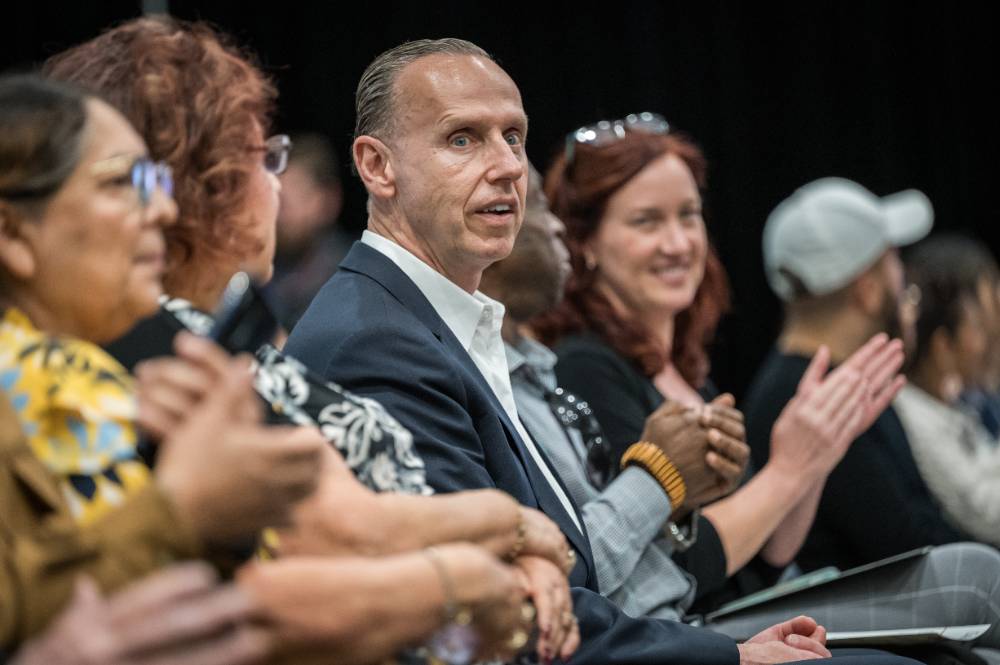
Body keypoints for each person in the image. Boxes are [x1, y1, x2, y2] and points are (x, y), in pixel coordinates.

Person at [286, 37, 920, 665]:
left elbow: (571, 574)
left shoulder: (431, 323)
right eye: (462, 138)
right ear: (377, 166)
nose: (507, 165)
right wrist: (729, 655)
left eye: (513, 136)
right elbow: (500, 610)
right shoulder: (375, 341)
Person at [46, 18, 561, 663]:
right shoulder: (145, 358)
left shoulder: (205, 346)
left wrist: (512, 540)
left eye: (515, 138)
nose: (510, 168)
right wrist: (489, 571)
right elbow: (300, 562)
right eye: (263, 158)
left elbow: (354, 524)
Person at [533, 119, 904, 611]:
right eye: (647, 221)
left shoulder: (686, 371)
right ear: (586, 244)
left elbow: (766, 559)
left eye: (688, 215)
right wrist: (788, 470)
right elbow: (676, 568)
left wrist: (817, 453)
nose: (678, 243)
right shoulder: (584, 368)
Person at [480, 164, 752, 620]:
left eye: (689, 214)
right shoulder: (575, 365)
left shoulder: (535, 366)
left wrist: (680, 496)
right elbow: (562, 578)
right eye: (646, 221)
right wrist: (662, 476)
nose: (557, 227)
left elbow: (637, 566)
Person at [742, 176, 974, 571]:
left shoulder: (811, 383)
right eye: (893, 261)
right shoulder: (813, 397)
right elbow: (907, 548)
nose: (904, 280)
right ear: (866, 291)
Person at [894, 234, 1000, 547]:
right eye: (980, 326)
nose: (991, 341)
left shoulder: (955, 399)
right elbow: (985, 513)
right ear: (942, 345)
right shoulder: (912, 415)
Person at [271, 132, 355, 329]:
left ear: (328, 200)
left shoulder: (354, 280)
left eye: (287, 203)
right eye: (274, 202)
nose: (278, 215)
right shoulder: (263, 275)